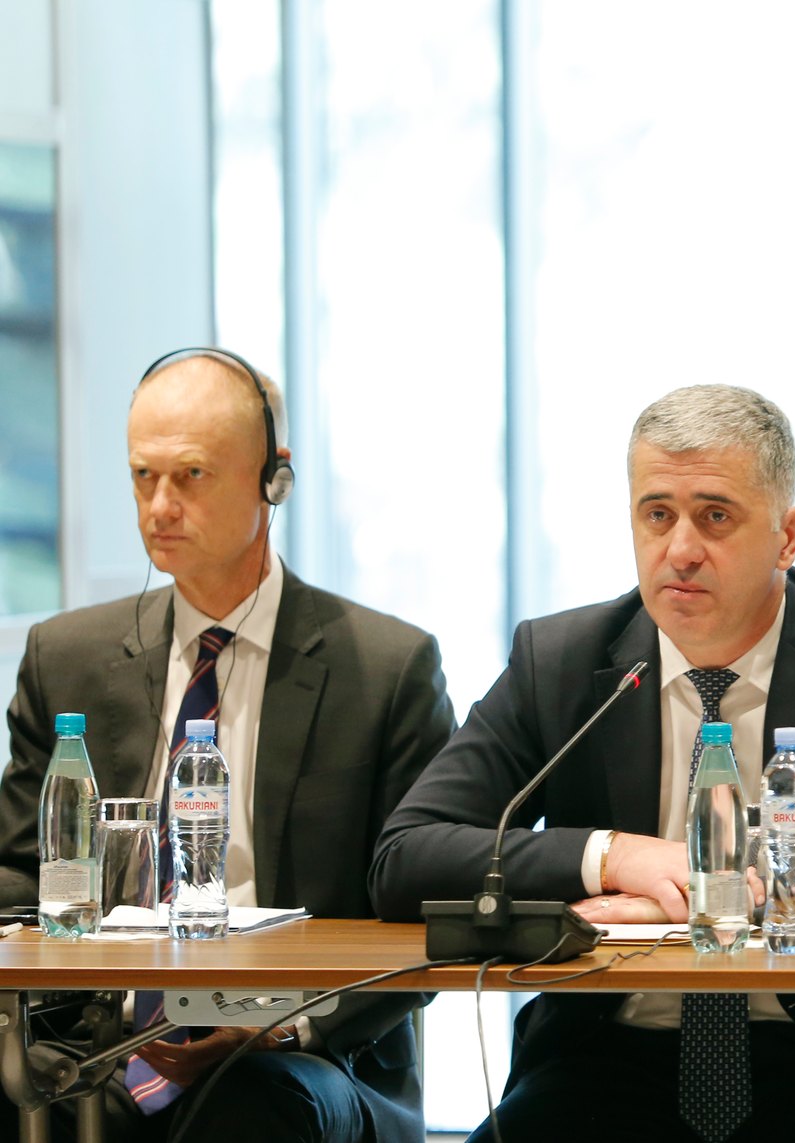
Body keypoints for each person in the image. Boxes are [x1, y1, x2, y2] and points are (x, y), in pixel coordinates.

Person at [370, 383, 795, 1143]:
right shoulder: (561, 661)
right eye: (657, 514)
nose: (681, 550)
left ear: (788, 537)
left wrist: (716, 889)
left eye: (716, 516)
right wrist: (614, 857)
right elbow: (407, 855)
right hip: (606, 1059)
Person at [0, 348, 456, 1142]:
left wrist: (279, 1025)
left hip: (301, 1051)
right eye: (143, 476)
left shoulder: (385, 670)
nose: (159, 506)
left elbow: (424, 918)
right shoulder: (65, 659)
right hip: (96, 1040)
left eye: (191, 476)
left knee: (247, 1109)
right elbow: (17, 877)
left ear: (272, 479)